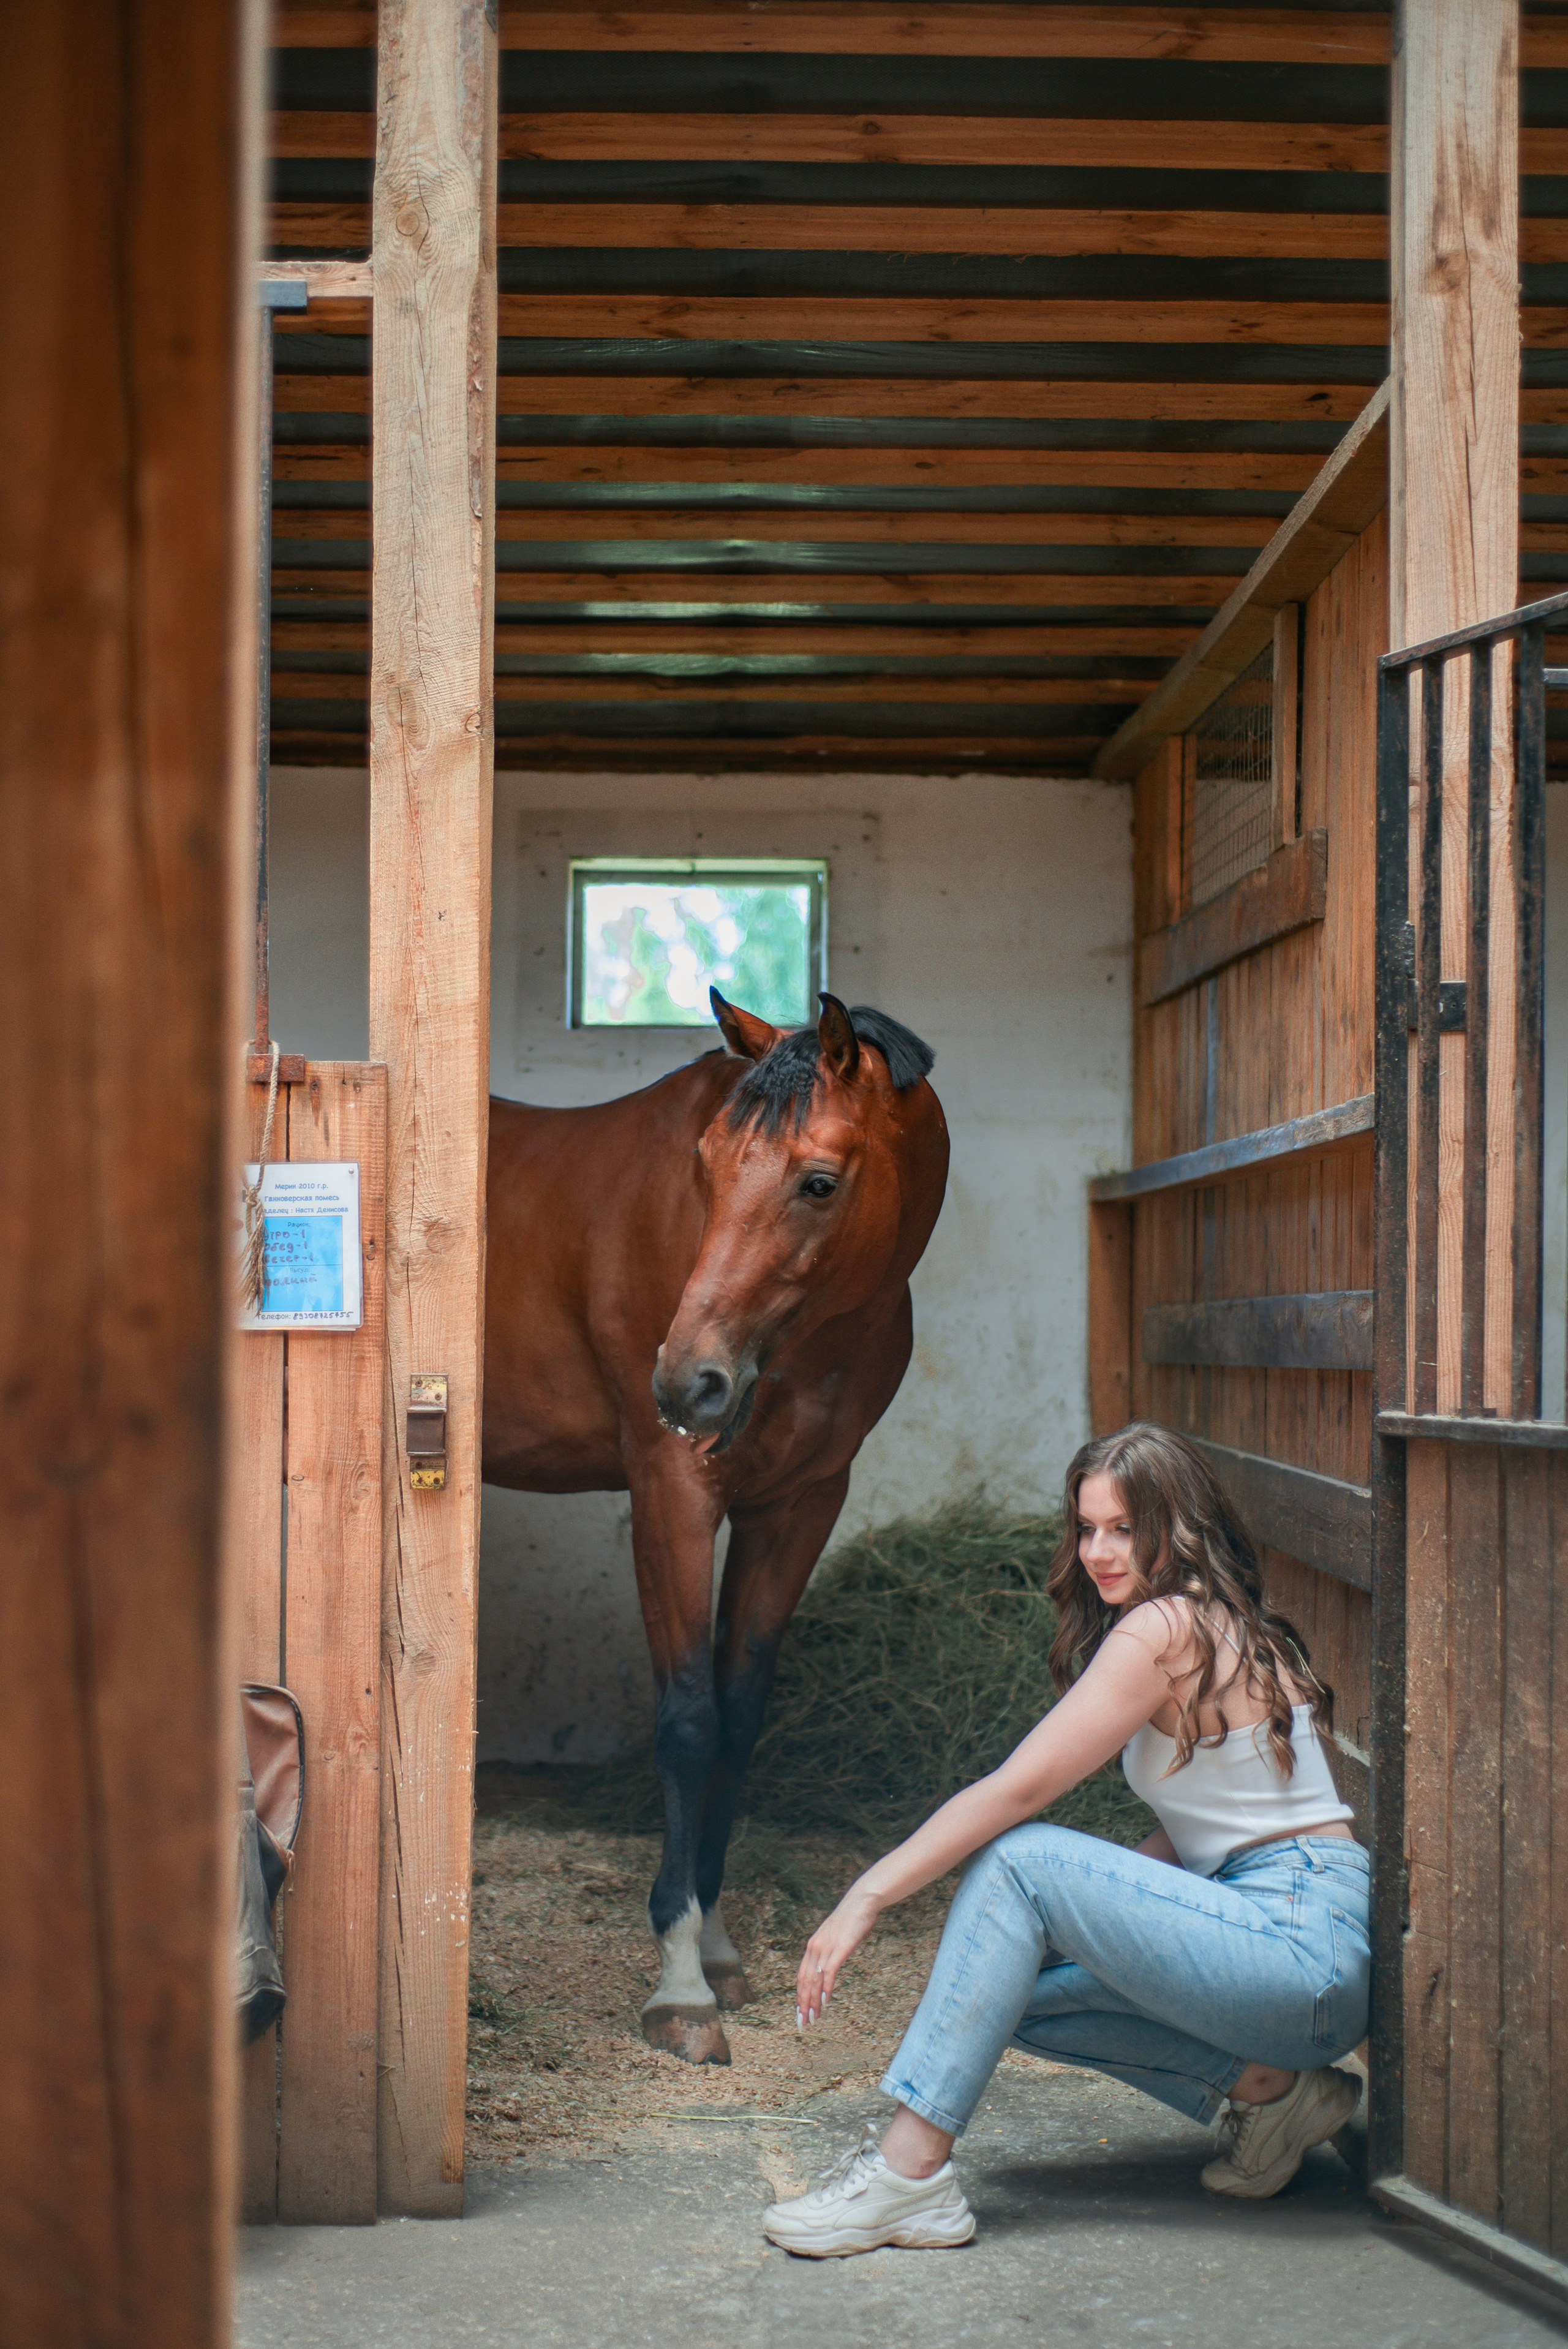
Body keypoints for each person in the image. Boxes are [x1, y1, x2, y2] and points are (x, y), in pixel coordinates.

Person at [763, 1420, 1368, 2258]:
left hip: (1302, 1941)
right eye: (1086, 1528)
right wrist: (1061, 1928)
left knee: (1020, 1863)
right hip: (1282, 1950)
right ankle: (1272, 2096)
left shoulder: (1167, 1629)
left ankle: (909, 2178)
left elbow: (1022, 1790)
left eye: (1124, 1528)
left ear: (1177, 1527)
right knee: (1012, 1990)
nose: (1097, 1551)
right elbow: (1205, 1826)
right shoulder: (1224, 1622)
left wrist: (866, 1895)